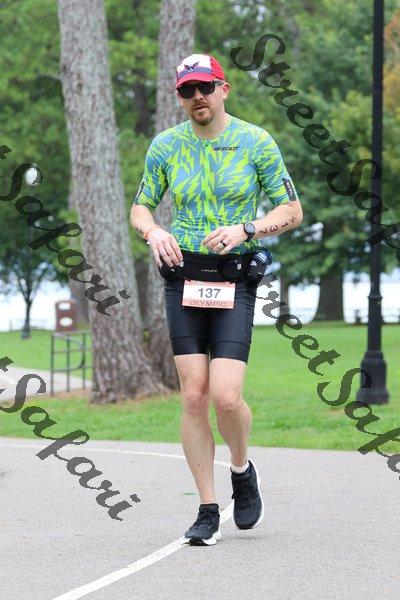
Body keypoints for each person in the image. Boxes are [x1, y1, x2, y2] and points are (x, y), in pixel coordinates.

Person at [130, 53, 303, 546]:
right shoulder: (166, 146)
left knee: (226, 397)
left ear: (223, 89)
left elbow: (292, 210)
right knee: (193, 395)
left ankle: (242, 470)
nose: (197, 97)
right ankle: (208, 508)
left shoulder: (255, 141)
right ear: (180, 98)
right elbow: (141, 208)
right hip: (183, 275)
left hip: (234, 277)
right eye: (187, 91)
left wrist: (247, 228)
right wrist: (154, 232)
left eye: (204, 87)